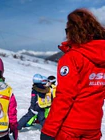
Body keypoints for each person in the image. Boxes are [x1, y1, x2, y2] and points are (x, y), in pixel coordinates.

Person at [41, 8, 105, 140]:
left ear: (73, 31)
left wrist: (49, 129)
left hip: (70, 128)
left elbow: (65, 96)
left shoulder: (72, 58)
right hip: (93, 127)